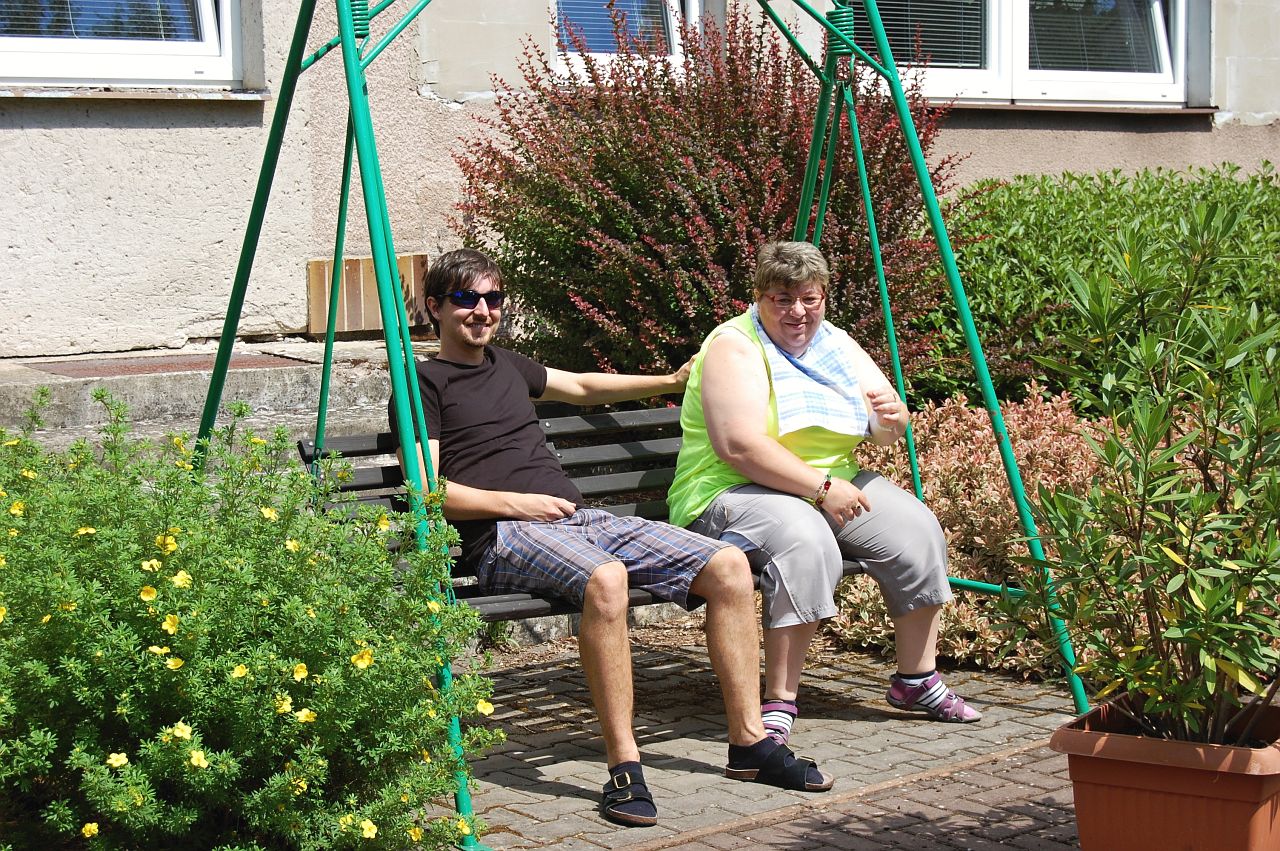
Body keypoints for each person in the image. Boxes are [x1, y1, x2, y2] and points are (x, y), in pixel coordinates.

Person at [391, 248, 834, 828]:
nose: (482, 310)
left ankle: (750, 744)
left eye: (492, 298)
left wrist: (669, 380)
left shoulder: (506, 364)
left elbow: (579, 385)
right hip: (501, 533)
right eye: (465, 299)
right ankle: (625, 766)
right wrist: (519, 503)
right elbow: (428, 490)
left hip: (576, 518)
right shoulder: (420, 382)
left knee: (727, 565)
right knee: (606, 579)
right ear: (434, 307)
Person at [668, 240, 981, 747]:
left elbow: (882, 428)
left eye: (810, 299)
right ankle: (780, 700)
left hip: (827, 484)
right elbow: (739, 446)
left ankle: (916, 679)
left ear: (824, 297)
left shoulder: (837, 344)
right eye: (782, 299)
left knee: (916, 530)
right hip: (729, 490)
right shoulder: (733, 347)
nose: (798, 312)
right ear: (759, 298)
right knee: (806, 540)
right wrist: (822, 488)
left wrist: (894, 421)